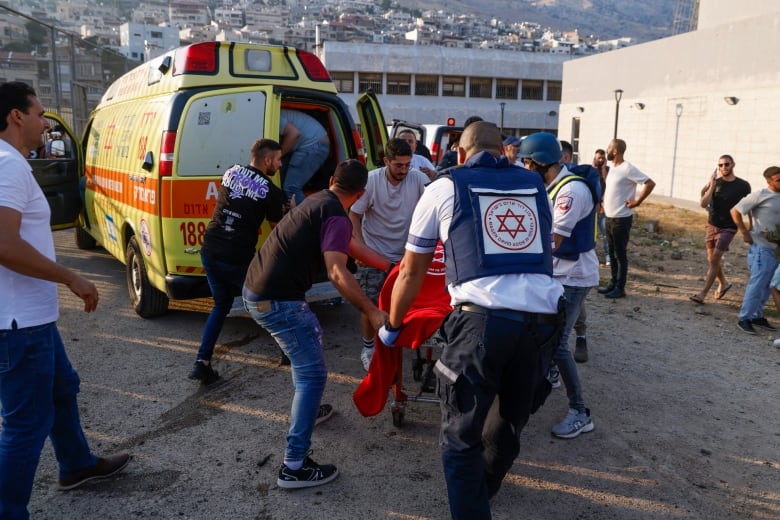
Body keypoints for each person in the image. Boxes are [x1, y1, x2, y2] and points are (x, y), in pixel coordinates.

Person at [380, 122, 564, 519]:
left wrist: (392, 326)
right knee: (507, 428)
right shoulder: (536, 188)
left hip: (482, 322)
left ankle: (473, 504)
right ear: (503, 150)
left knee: (461, 438)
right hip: (541, 326)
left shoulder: (443, 188)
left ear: (460, 154)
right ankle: (481, 496)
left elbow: (411, 271)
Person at [0, 81, 131, 518]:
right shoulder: (7, 165)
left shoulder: (9, 163)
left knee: (62, 388)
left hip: (28, 318)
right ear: (17, 117)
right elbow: (5, 245)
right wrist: (70, 276)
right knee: (24, 426)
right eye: (39, 113)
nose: (45, 122)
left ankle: (76, 464)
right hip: (19, 324)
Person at [242, 159, 388, 489]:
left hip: (258, 291)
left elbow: (352, 247)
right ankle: (294, 467)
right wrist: (373, 311)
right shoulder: (336, 214)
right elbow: (338, 272)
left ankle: (309, 411)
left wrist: (391, 265)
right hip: (278, 300)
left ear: (333, 179)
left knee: (306, 358)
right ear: (362, 192)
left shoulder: (320, 201)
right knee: (312, 373)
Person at [188, 139, 288, 384]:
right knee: (269, 299)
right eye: (278, 159)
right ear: (267, 160)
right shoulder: (271, 190)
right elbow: (278, 230)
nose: (280, 163)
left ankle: (202, 362)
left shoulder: (231, 172)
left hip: (210, 250)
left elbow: (238, 201)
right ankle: (290, 352)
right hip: (236, 257)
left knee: (221, 305)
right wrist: (289, 210)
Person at [519, 132, 597, 439]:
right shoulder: (553, 185)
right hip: (560, 274)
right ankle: (549, 372)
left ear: (538, 163)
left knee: (559, 344)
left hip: (574, 277)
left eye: (526, 163)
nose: (524, 169)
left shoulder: (570, 192)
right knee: (545, 335)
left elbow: (553, 242)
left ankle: (580, 412)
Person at [349, 138, 429, 371]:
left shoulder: (417, 178)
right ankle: (368, 347)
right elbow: (354, 215)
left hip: (406, 258)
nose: (404, 170)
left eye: (407, 165)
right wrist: (360, 248)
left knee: (405, 306)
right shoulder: (371, 181)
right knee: (369, 306)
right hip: (374, 255)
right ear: (386, 161)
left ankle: (395, 344)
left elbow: (435, 201)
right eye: (398, 166)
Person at [598, 138, 656, 299]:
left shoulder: (627, 168)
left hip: (621, 219)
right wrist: (604, 202)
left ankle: (620, 287)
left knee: (619, 254)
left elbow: (650, 183)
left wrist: (637, 202)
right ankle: (612, 283)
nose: (607, 149)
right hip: (609, 217)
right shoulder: (614, 169)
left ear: (615, 151)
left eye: (609, 147)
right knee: (611, 252)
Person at [689, 155, 751, 304]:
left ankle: (703, 294)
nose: (724, 168)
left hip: (729, 227)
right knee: (711, 259)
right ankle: (724, 283)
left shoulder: (743, 185)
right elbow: (703, 204)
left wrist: (750, 227)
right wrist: (711, 184)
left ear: (733, 164)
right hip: (712, 225)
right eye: (720, 165)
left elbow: (749, 206)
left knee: (715, 258)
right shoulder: (715, 183)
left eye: (726, 164)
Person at [731, 166, 780, 334]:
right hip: (762, 249)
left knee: (768, 285)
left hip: (776, 249)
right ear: (769, 181)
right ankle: (744, 318)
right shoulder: (761, 195)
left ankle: (757, 315)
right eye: (778, 180)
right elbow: (735, 211)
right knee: (757, 284)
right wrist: (744, 231)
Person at [279, 108, 330, 205]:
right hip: (314, 143)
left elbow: (294, 134)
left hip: (314, 145)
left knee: (291, 188)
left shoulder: (274, 117)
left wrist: (278, 156)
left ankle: (306, 218)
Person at [593, 149, 610, 265]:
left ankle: (608, 257)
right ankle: (593, 257)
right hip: (593, 208)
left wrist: (604, 169)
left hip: (605, 207)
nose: (600, 160)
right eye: (599, 158)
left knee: (606, 234)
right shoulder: (591, 171)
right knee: (592, 234)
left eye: (603, 158)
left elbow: (608, 185)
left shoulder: (608, 171)